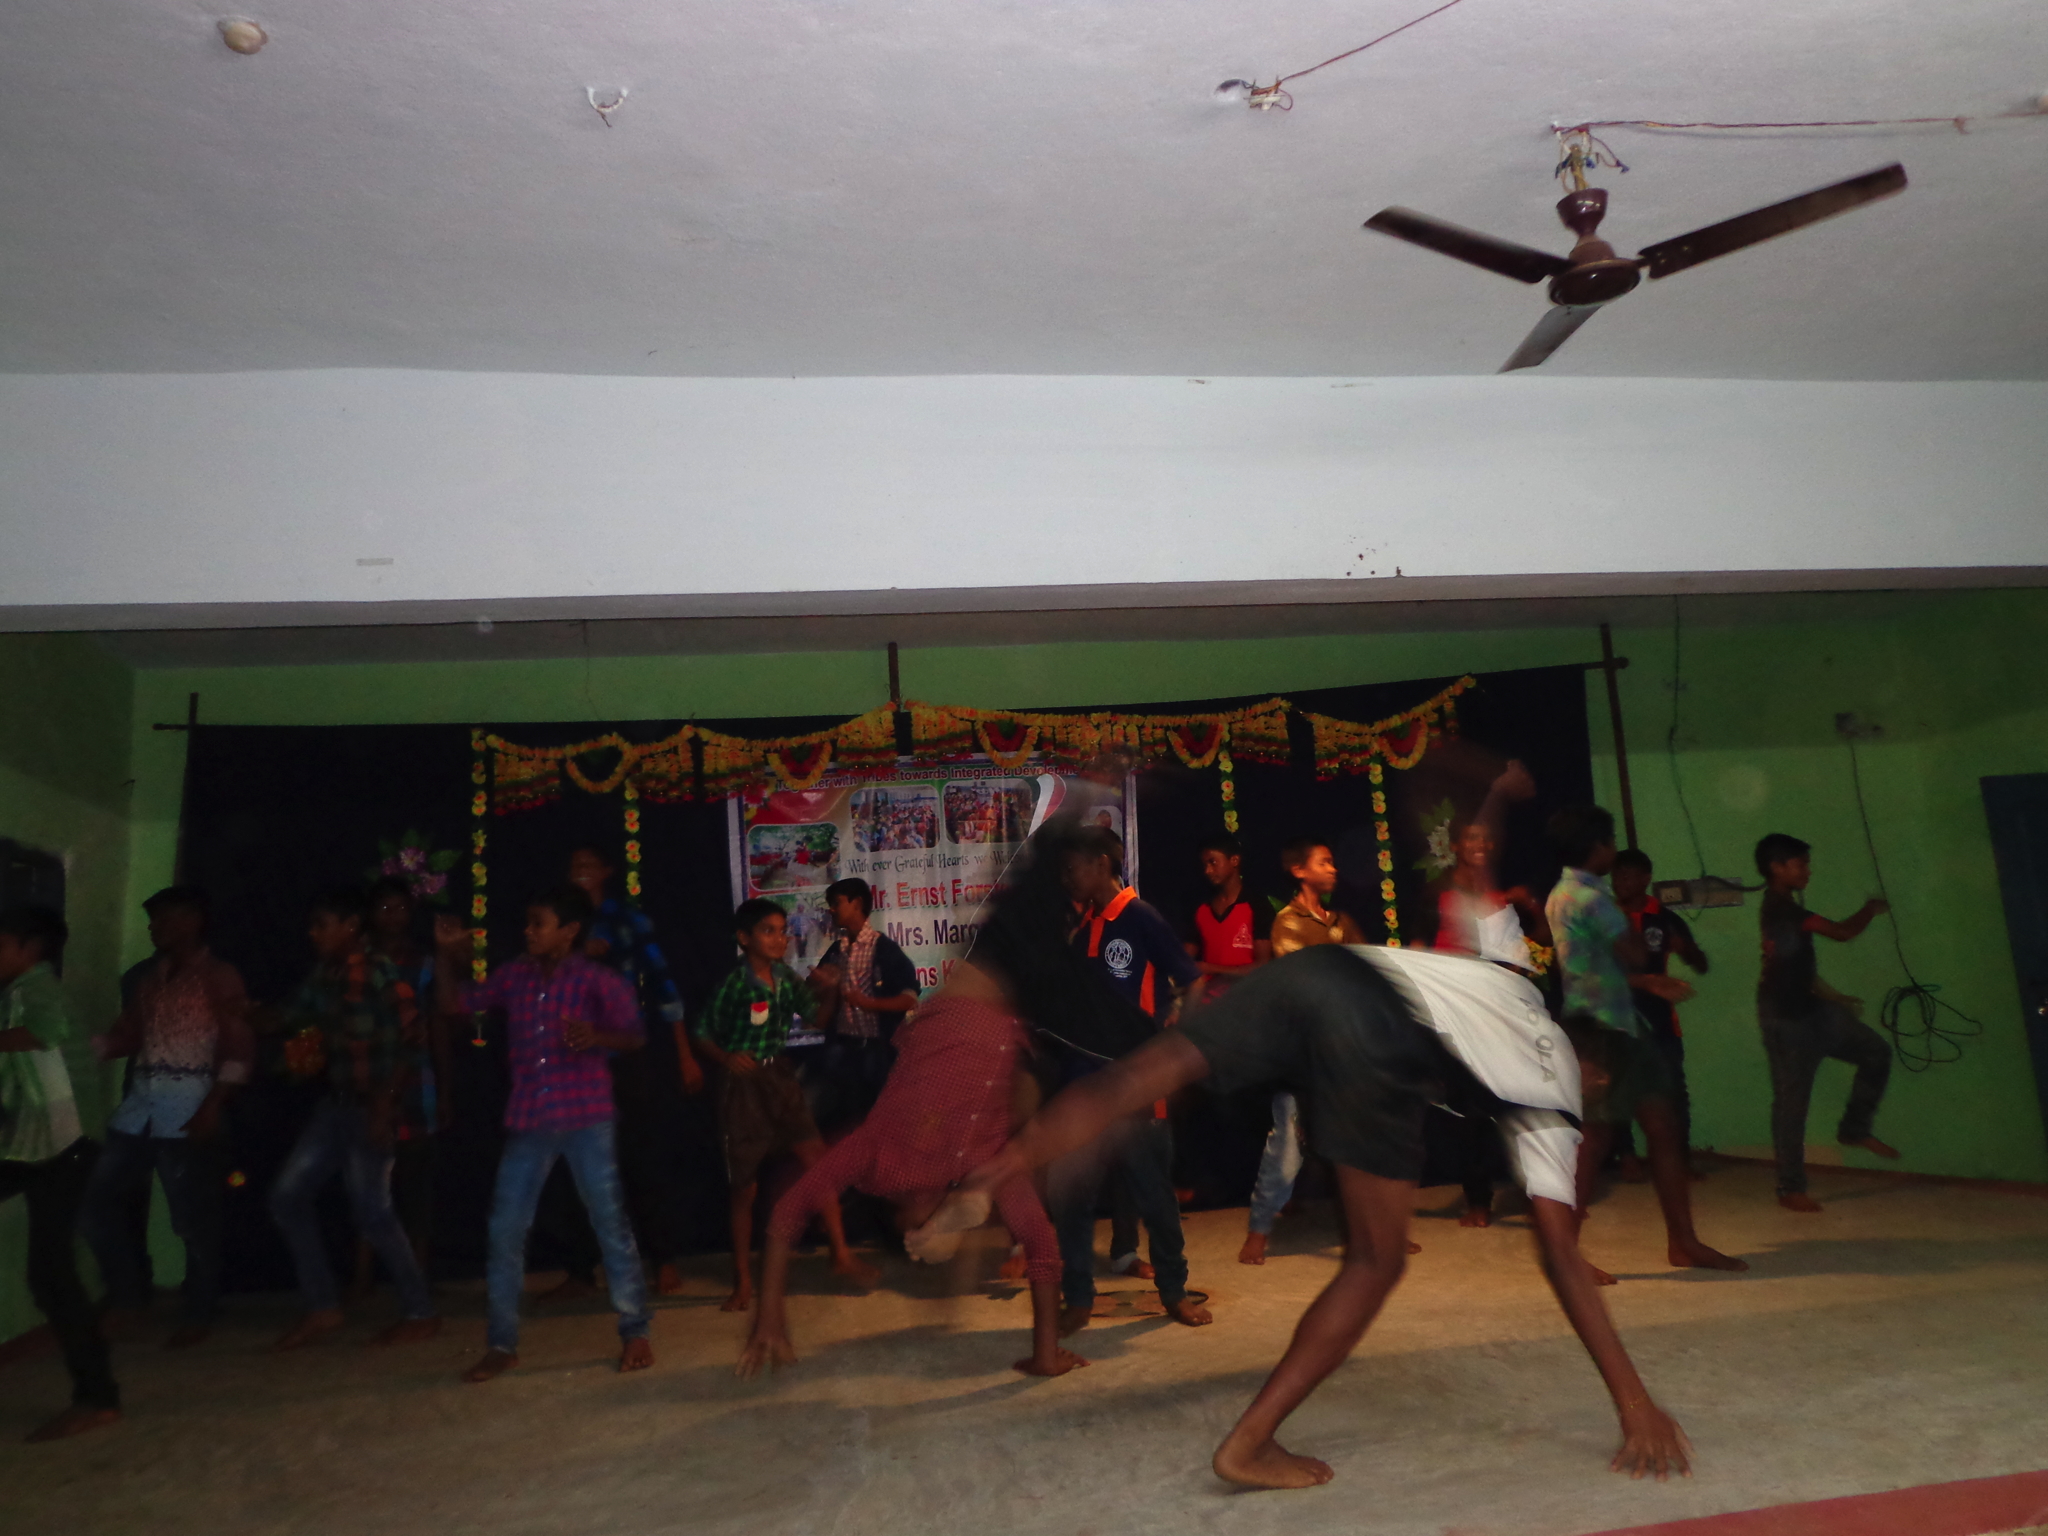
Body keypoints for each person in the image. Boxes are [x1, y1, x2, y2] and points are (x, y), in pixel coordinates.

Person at [916, 936, 1693, 1490]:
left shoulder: (1518, 985)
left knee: (1139, 1076)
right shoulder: (1557, 1092)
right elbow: (1562, 1256)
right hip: (1380, 1027)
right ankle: (1249, 1445)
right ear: (1595, 1075)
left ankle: (989, 1178)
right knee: (1375, 1262)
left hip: (1319, 970)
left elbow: (1472, 898)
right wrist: (1635, 1401)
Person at [737, 963, 1081, 1381]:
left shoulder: (874, 1153)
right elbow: (1041, 1242)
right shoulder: (981, 1163)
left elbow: (785, 1214)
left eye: (925, 1231)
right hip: (1020, 1009)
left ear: (903, 1223)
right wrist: (1044, 1355)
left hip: (976, 983)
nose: (935, 1224)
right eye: (938, 1230)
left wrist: (769, 1317)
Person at [431, 885, 654, 1382]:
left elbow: (635, 1035)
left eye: (539, 923)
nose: (528, 931)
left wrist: (597, 1036)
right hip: (531, 1118)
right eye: (528, 922)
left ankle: (635, 1329)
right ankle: (502, 1342)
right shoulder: (515, 976)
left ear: (569, 931)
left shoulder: (597, 979)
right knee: (504, 1229)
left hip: (587, 1116)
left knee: (610, 1225)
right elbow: (455, 1005)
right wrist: (445, 957)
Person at [1544, 808, 1745, 1278]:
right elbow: (1633, 951)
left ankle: (1684, 1242)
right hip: (1601, 1029)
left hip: (1616, 1023)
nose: (1614, 851)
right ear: (1597, 846)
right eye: (1610, 841)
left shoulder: (1562, 893)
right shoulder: (1593, 898)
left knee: (1660, 1125)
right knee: (1595, 1139)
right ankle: (1565, 1257)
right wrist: (1647, 950)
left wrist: (1645, 982)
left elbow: (1587, 967)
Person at [268, 887, 442, 1350]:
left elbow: (413, 1035)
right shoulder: (325, 974)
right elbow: (288, 1016)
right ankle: (323, 1305)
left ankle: (420, 1311)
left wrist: (385, 1104)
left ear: (350, 927)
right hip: (338, 1104)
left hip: (372, 1104)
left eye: (322, 925)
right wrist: (242, 1012)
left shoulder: (376, 969)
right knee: (287, 1197)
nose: (313, 934)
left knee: (373, 1211)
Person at [81, 886, 252, 1349]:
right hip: (140, 1108)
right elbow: (128, 1035)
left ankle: (199, 1310)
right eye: (153, 920)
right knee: (92, 1201)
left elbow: (239, 1050)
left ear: (193, 921)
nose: (155, 929)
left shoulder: (219, 977)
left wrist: (212, 1107)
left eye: (165, 919)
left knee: (193, 1220)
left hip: (189, 1105)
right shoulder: (148, 979)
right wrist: (80, 1048)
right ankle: (128, 1297)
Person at [532, 846, 701, 1301]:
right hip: (575, 1060)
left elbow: (664, 985)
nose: (581, 872)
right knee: (576, 1166)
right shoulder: (560, 925)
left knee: (641, 1159)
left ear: (606, 871)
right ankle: (581, 1270)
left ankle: (663, 1260)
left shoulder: (628, 920)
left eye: (589, 865)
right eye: (575, 866)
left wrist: (684, 1054)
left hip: (624, 1056)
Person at [1057, 828, 1209, 1332]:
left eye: (1074, 867)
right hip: (1086, 1083)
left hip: (1138, 1083)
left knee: (1154, 1195)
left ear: (1102, 864)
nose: (1068, 877)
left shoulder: (1140, 916)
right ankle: (1079, 1297)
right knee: (1073, 1197)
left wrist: (1175, 1045)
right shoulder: (1083, 925)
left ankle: (1174, 1292)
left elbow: (1192, 979)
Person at [693, 899, 874, 1313]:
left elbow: (816, 1020)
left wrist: (829, 992)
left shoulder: (784, 977)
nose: (780, 939)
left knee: (818, 1162)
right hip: (744, 1087)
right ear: (744, 939)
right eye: (768, 931)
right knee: (745, 1188)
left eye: (782, 930)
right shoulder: (734, 985)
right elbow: (701, 1031)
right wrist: (726, 1057)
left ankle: (841, 1253)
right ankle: (742, 1280)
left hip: (780, 1078)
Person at [0, 905, 121, 1443]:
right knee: (50, 1272)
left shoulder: (38, 989)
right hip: (31, 1143)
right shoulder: (16, 993)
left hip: (65, 1146)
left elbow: (46, 1032)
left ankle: (98, 1397)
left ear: (31, 949)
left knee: (51, 1273)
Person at [1432, 763, 1553, 1226]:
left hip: (1501, 1011)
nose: (1480, 845)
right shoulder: (1445, 894)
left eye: (1486, 840)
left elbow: (1537, 948)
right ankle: (1479, 1200)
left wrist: (1531, 909)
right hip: (1461, 1012)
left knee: (1518, 1103)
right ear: (1456, 847)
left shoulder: (1501, 896)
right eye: (1471, 839)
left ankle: (1535, 1190)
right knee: (1469, 1109)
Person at [1240, 838, 1369, 1266]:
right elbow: (1303, 983)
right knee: (1286, 1147)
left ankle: (1371, 1231)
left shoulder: (1342, 922)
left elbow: (1367, 969)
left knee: (1358, 1143)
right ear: (1299, 871)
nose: (1333, 869)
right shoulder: (1287, 923)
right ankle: (1259, 1231)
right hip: (1301, 1053)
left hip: (1342, 1047)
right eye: (1324, 862)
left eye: (1333, 862)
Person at [1753, 832, 1899, 1212]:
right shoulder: (1784, 911)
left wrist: (1832, 996)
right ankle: (1790, 1188)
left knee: (1876, 1053)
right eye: (1801, 864)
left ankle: (1854, 1129)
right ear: (1777, 868)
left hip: (1814, 1010)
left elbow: (1791, 966)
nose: (1808, 871)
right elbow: (1842, 932)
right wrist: (1870, 908)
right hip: (1786, 1020)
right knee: (1792, 1104)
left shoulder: (1782, 910)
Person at [351, 877, 449, 1296]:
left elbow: (439, 1026)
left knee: (416, 1185)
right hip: (368, 1081)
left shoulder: (424, 962)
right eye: (385, 908)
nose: (393, 916)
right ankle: (361, 1277)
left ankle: (417, 1277)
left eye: (401, 908)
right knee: (367, 1184)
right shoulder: (356, 961)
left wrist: (446, 1089)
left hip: (416, 1081)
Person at [1608, 850, 1707, 1161]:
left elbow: (1701, 964)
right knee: (1617, 1089)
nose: (1619, 883)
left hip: (1660, 1017)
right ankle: (1627, 1158)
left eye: (1626, 876)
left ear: (1645, 879)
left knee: (1673, 1089)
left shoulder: (1664, 918)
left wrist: (1686, 949)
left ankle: (1680, 1159)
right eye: (1616, 877)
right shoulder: (1605, 917)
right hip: (1616, 1015)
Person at [804, 876, 920, 1134]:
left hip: (877, 1050)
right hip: (843, 1048)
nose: (832, 910)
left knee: (880, 1120)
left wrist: (870, 1003)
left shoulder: (884, 949)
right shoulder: (837, 950)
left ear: (856, 904)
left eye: (837, 903)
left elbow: (909, 998)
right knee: (844, 1121)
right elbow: (813, 990)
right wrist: (821, 984)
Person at [1183, 833, 1273, 1004]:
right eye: (1205, 865)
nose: (1207, 871)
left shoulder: (1257, 905)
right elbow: (1185, 959)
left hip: (1247, 1000)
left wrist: (1212, 969)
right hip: (1207, 1003)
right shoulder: (1201, 908)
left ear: (1234, 861)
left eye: (1213, 862)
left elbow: (1264, 966)